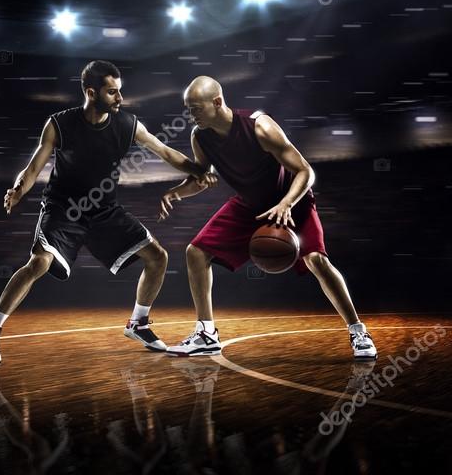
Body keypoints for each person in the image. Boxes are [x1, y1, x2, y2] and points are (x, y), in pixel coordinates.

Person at [0, 61, 215, 364]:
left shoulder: (127, 124)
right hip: (64, 209)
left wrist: (198, 169)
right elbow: (34, 166)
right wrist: (18, 190)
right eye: (112, 92)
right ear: (91, 92)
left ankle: (138, 324)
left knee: (158, 257)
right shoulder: (59, 124)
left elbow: (165, 152)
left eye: (120, 91)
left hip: (104, 210)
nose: (119, 98)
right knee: (38, 263)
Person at [159, 76, 377, 358]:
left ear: (217, 102)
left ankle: (358, 332)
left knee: (317, 260)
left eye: (196, 108)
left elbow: (305, 172)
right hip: (250, 205)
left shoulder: (260, 127)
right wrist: (176, 192)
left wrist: (286, 203)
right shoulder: (200, 136)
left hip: (291, 200)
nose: (191, 115)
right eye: (188, 109)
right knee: (195, 253)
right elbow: (202, 178)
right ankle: (206, 334)